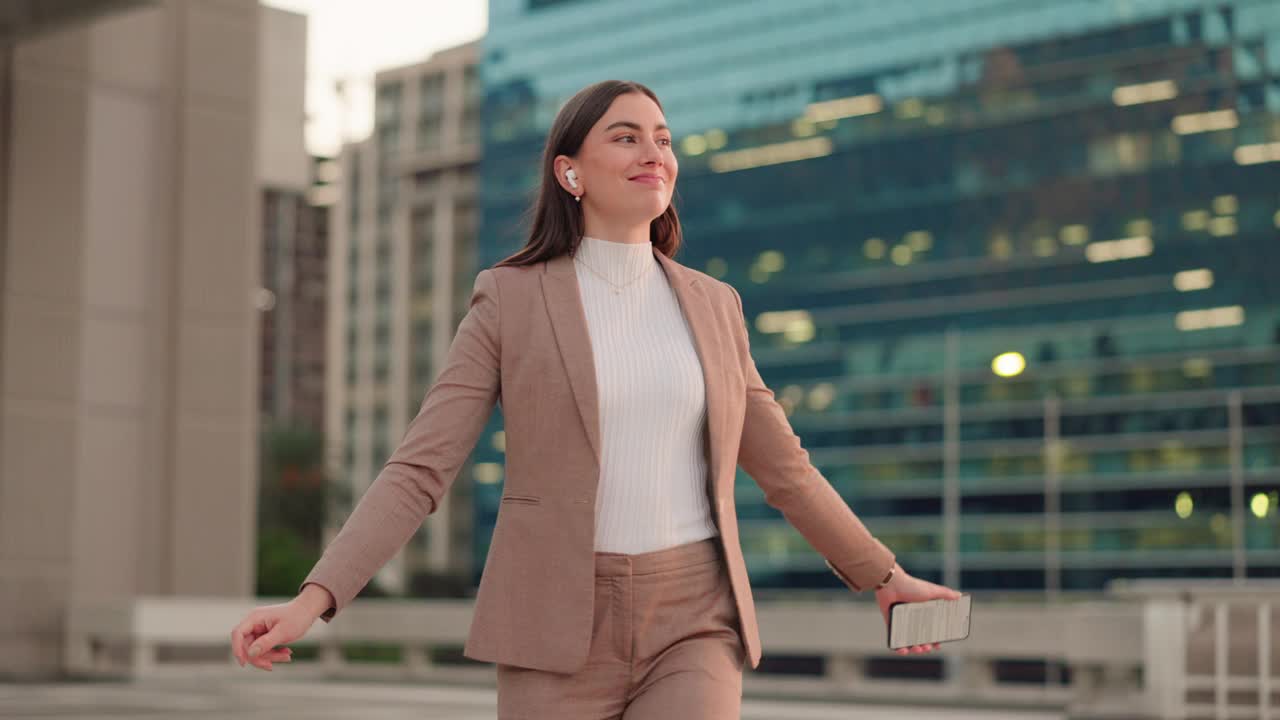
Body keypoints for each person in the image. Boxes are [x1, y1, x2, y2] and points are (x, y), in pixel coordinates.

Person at [230, 80, 960, 717]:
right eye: (626, 136)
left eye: (664, 139)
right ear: (570, 172)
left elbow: (785, 470)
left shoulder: (714, 306)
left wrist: (886, 577)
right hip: (553, 622)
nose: (654, 153)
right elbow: (422, 470)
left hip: (695, 614)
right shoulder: (510, 300)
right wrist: (313, 599)